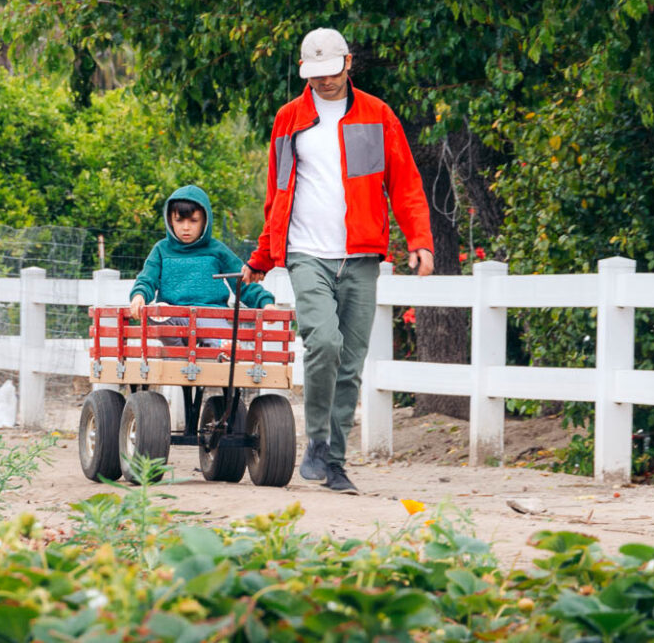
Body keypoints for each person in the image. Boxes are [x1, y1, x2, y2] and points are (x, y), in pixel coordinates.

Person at [242, 27, 434, 493]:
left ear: (349, 63)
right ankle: (316, 441)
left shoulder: (378, 115)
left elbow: (404, 182)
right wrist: (264, 256)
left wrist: (420, 239)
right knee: (323, 342)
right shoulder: (288, 119)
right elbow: (277, 195)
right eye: (315, 74)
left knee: (350, 361)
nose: (324, 82)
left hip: (362, 254)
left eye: (331, 72)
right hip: (308, 254)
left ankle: (335, 461)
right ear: (305, 71)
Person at [129, 185, 276, 346]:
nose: (186, 227)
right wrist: (139, 295)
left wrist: (265, 302)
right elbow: (147, 279)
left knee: (223, 345)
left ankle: (219, 348)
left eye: (193, 221)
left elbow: (243, 281)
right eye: (179, 220)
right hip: (175, 316)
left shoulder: (217, 250)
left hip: (210, 315)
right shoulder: (161, 250)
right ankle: (178, 357)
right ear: (170, 220)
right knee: (158, 312)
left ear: (205, 221)